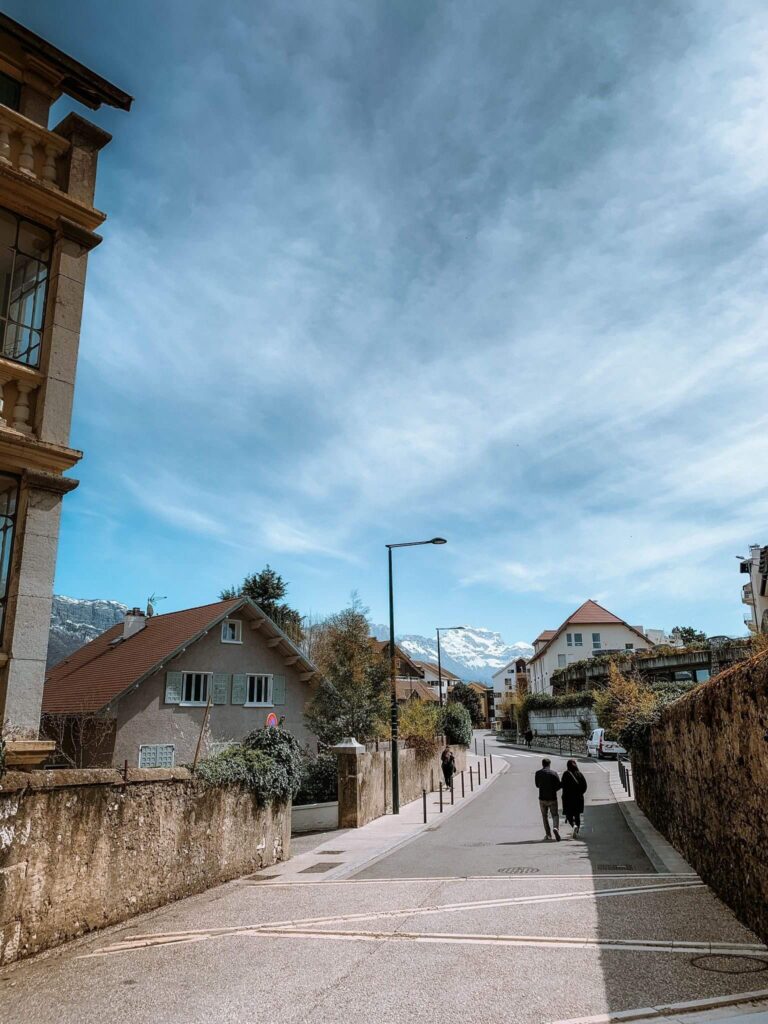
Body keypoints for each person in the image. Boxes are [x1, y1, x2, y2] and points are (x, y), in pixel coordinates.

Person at [534, 757, 562, 841]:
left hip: (542, 798)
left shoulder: (538, 773)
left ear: (542, 764)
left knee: (544, 816)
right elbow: (559, 786)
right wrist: (553, 789)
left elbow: (537, 785)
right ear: (549, 764)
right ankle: (555, 828)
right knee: (555, 815)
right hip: (552, 798)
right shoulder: (554, 773)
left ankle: (548, 834)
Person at [561, 759, 587, 836]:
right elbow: (585, 786)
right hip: (578, 798)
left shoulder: (566, 774)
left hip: (568, 799)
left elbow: (562, 785)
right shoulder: (579, 774)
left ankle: (573, 825)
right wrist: (580, 793)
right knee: (577, 815)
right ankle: (577, 829)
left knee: (569, 815)